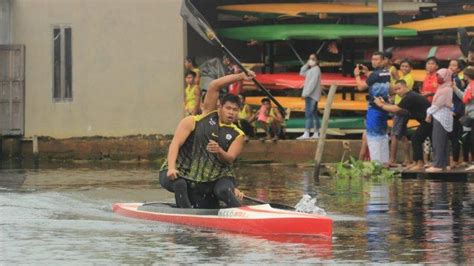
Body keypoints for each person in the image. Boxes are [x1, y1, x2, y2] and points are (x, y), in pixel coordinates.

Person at [159, 71, 256, 208]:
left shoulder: (238, 134)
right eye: (228, 108)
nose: (231, 112)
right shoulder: (199, 119)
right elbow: (214, 86)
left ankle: (242, 214)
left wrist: (219, 151)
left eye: (235, 110)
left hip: (210, 179)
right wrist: (240, 77)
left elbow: (229, 159)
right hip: (183, 173)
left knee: (221, 191)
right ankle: (188, 217)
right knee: (180, 184)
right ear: (219, 107)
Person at [374, 80, 431, 170]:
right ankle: (416, 162)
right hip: (427, 120)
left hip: (431, 120)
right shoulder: (409, 96)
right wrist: (384, 104)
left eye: (399, 88)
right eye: (395, 90)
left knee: (416, 138)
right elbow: (401, 110)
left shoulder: (410, 97)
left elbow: (395, 109)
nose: (397, 91)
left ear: (406, 87)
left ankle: (420, 163)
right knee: (416, 138)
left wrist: (381, 105)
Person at [354, 51, 391, 164]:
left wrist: (357, 75)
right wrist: (367, 73)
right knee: (383, 135)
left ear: (383, 60)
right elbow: (375, 78)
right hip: (384, 107)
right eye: (373, 59)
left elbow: (361, 87)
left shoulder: (375, 75)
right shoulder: (386, 73)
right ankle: (385, 162)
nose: (374, 61)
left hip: (374, 108)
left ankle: (376, 163)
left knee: (372, 136)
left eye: (377, 59)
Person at [425, 68, 454, 172]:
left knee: (438, 141)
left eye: (440, 76)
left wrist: (428, 113)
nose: (438, 78)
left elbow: (437, 104)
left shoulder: (446, 89)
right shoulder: (443, 87)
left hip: (440, 117)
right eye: (437, 76)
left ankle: (437, 165)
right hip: (440, 115)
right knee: (443, 142)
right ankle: (444, 164)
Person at [389, 59, 415, 166]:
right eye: (402, 66)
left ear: (411, 68)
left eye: (406, 66)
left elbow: (401, 91)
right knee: (402, 135)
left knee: (394, 134)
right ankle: (407, 159)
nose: (404, 68)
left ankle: (392, 160)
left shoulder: (408, 78)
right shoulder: (402, 78)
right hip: (398, 107)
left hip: (401, 109)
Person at [453, 67, 474, 170]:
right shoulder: (469, 86)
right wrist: (455, 88)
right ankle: (469, 160)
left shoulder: (472, 86)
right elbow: (464, 97)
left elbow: (468, 98)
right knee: (467, 138)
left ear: (467, 75)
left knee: (472, 138)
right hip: (470, 115)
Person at [297, 53, 322, 140]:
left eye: (313, 59)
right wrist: (307, 64)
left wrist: (305, 94)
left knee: (308, 114)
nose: (311, 60)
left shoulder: (316, 70)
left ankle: (307, 132)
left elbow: (312, 84)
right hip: (312, 95)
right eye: (309, 58)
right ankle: (316, 132)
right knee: (314, 114)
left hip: (311, 95)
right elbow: (302, 72)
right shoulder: (312, 69)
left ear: (317, 61)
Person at [448, 59, 466, 168]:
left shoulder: (456, 80)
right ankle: (456, 159)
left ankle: (455, 160)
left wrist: (455, 111)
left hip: (456, 112)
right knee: (453, 136)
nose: (451, 67)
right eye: (450, 65)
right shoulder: (450, 79)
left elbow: (458, 99)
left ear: (459, 69)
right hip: (451, 110)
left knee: (455, 136)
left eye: (454, 65)